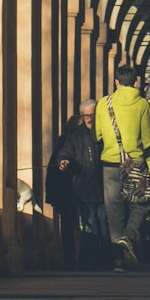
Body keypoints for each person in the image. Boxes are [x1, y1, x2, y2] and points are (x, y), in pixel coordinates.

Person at [95, 66, 150, 272]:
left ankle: (118, 260)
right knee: (140, 205)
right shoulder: (142, 105)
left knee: (114, 211)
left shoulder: (104, 103)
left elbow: (97, 135)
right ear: (136, 83)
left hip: (110, 164)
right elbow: (148, 140)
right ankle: (128, 237)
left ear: (116, 82)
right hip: (136, 163)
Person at [54, 100, 110, 270]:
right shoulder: (75, 136)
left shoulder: (106, 132)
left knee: (105, 223)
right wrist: (63, 161)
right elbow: (65, 152)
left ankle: (107, 259)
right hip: (83, 187)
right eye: (86, 116)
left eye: (92, 115)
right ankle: (90, 262)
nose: (89, 119)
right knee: (90, 225)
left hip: (106, 186)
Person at [45, 113, 80, 269]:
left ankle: (71, 258)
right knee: (72, 224)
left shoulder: (61, 143)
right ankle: (73, 258)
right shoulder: (68, 143)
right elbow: (54, 170)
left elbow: (51, 171)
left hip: (67, 191)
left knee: (68, 225)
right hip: (69, 190)